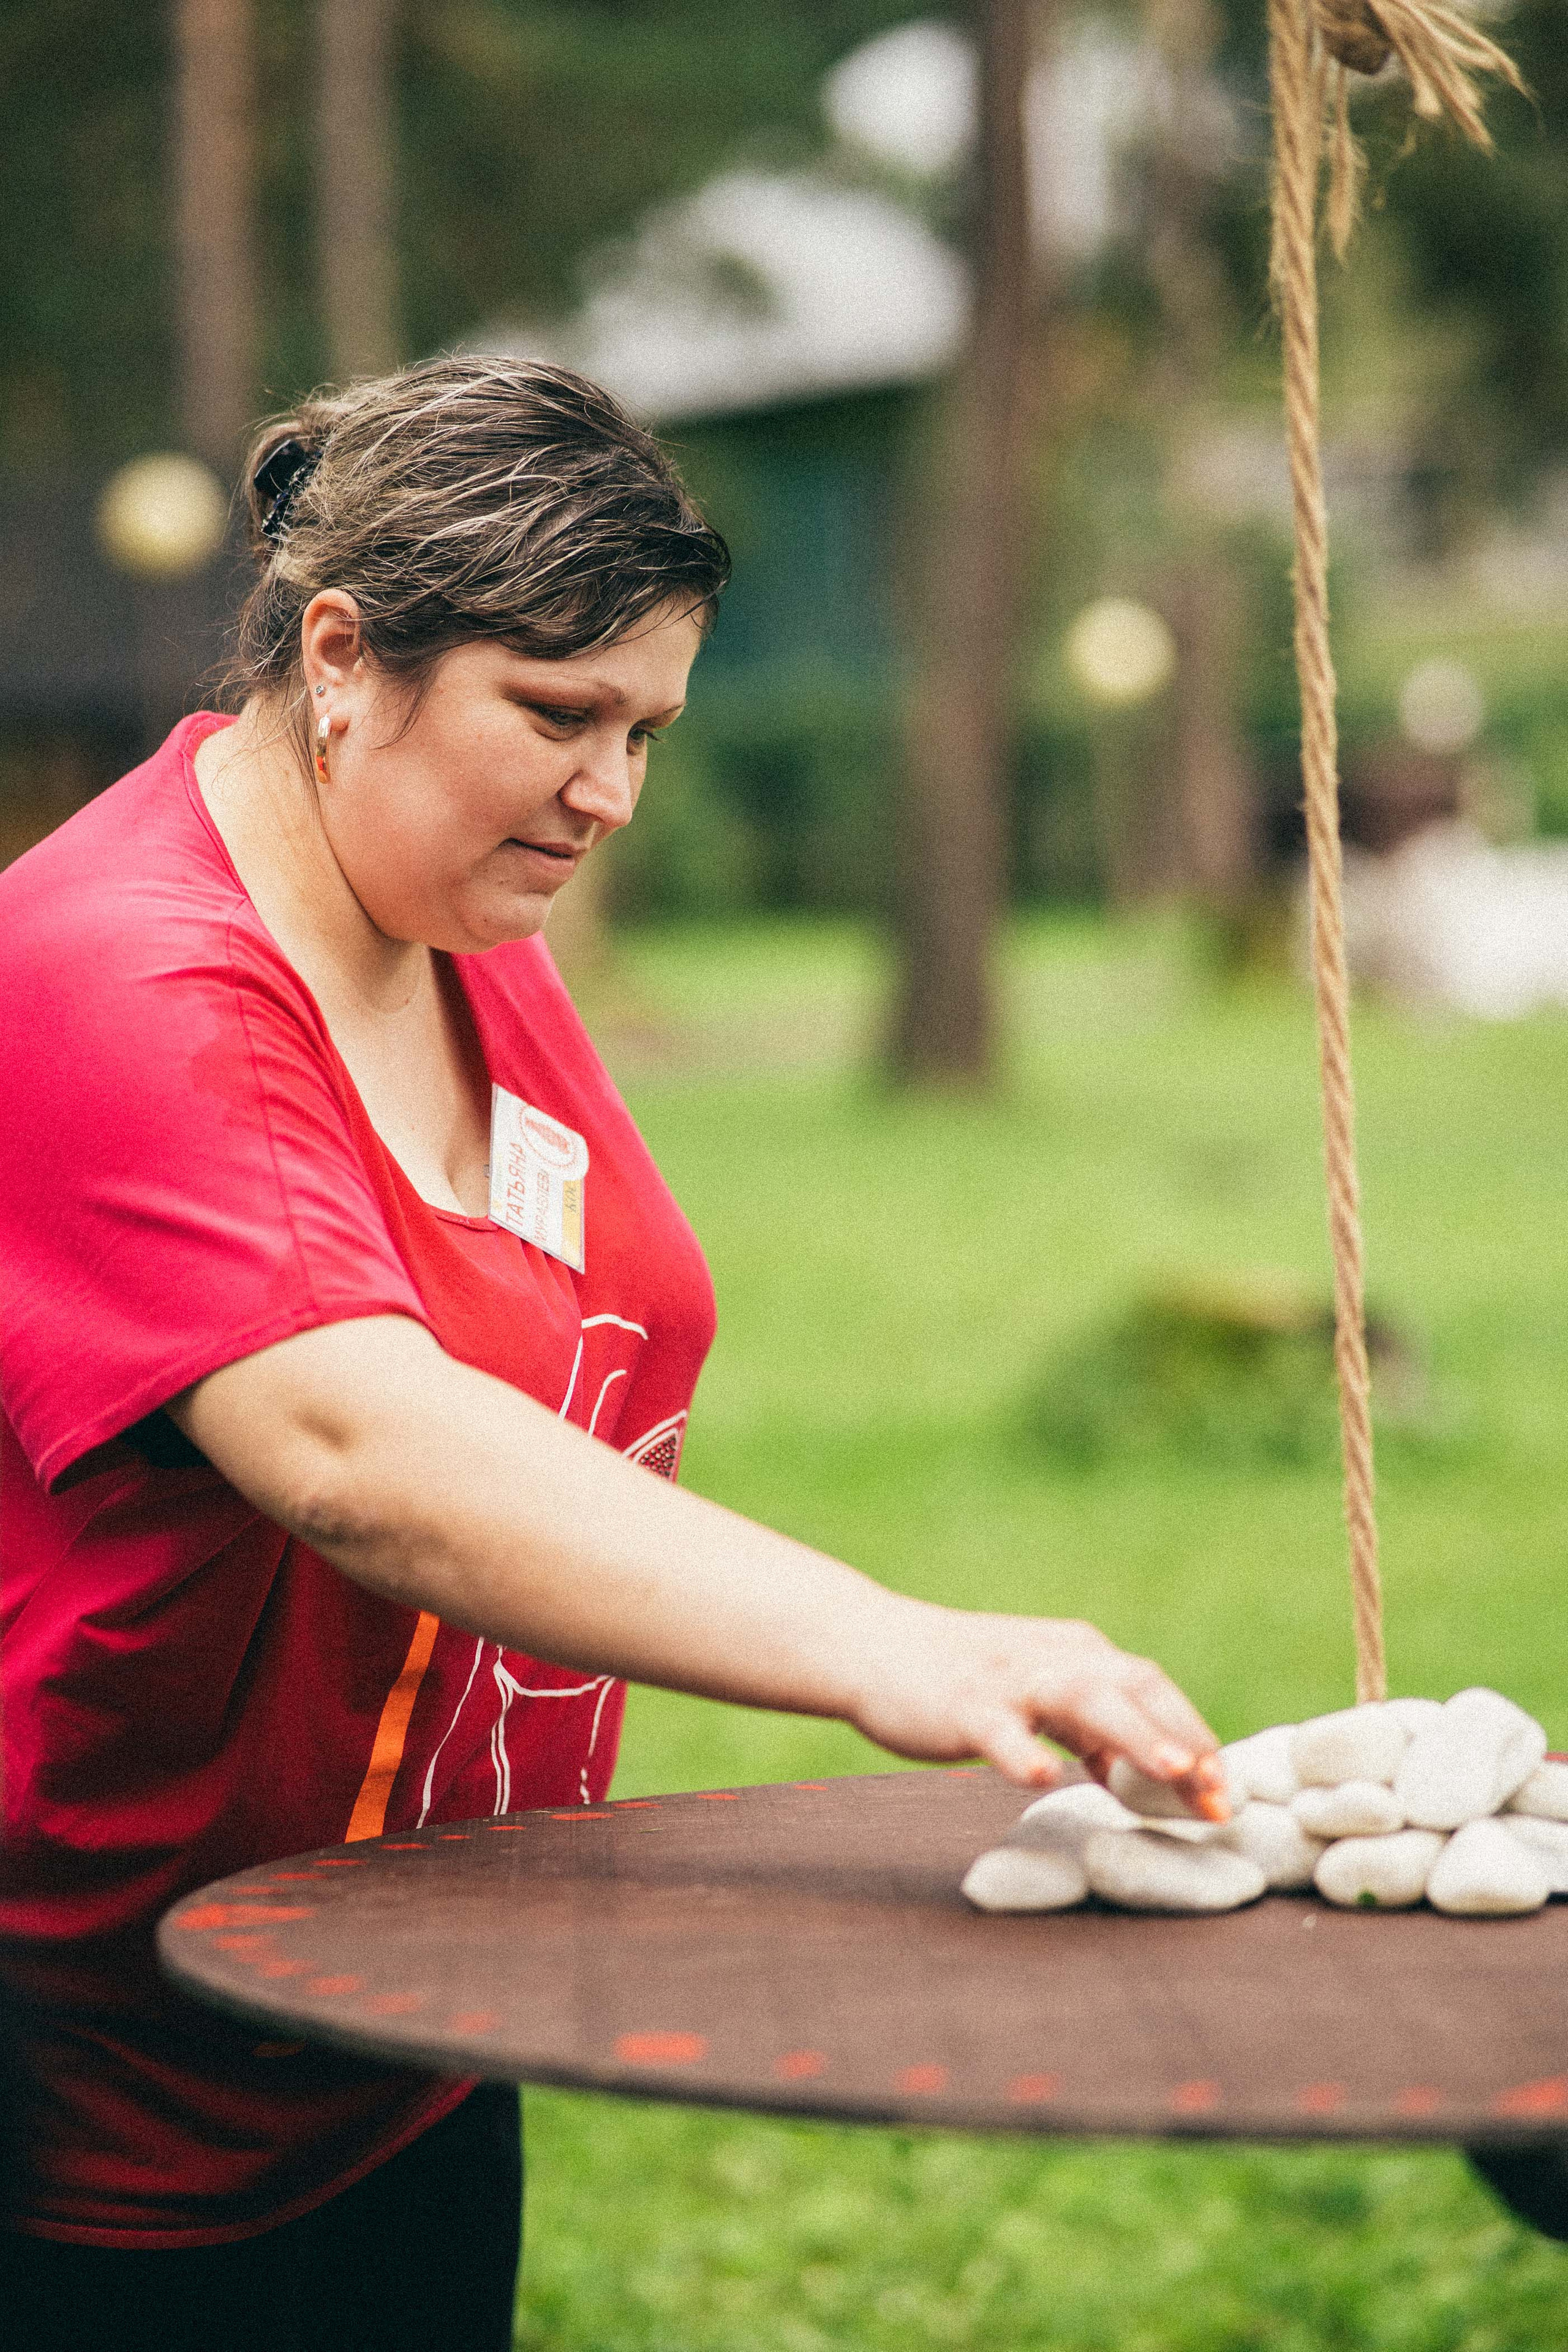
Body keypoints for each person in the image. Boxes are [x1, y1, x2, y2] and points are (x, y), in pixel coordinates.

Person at [0, 355, 1224, 2351]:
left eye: (648, 724)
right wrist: (906, 1649)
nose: (613, 793)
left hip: (412, 2024)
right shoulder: (112, 972)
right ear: (342, 655)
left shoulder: (474, 935)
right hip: (130, 2119)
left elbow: (571, 1341)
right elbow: (350, 1437)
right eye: (556, 715)